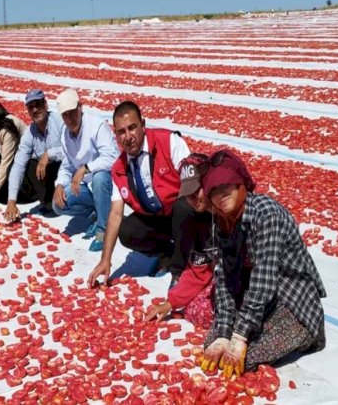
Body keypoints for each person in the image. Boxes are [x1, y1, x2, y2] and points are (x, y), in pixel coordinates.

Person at [198, 149, 327, 378]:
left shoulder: (266, 214)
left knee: (246, 357)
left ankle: (308, 334)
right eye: (214, 190)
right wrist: (224, 332)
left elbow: (263, 282)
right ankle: (238, 329)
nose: (221, 195)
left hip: (290, 300)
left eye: (226, 185)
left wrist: (238, 336)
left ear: (241, 184)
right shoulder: (221, 221)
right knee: (214, 345)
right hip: (256, 300)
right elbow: (224, 277)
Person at [87, 101, 209, 287]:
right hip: (158, 217)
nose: (128, 137)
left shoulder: (169, 142)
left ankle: (179, 270)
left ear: (143, 125)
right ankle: (166, 254)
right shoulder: (119, 169)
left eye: (132, 128)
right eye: (121, 132)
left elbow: (194, 185)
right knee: (127, 230)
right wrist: (106, 260)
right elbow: (115, 214)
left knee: (183, 204)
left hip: (186, 213)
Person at [144, 152, 218, 328]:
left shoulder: (229, 210)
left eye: (196, 191)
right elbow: (198, 272)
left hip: (253, 279)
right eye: (188, 194)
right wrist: (170, 303)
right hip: (223, 277)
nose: (192, 199)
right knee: (195, 309)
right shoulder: (199, 222)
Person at [52, 89, 119, 251]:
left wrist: (86, 168)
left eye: (72, 112)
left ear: (80, 107)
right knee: (57, 205)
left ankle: (103, 229)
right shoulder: (65, 135)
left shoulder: (96, 126)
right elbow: (67, 165)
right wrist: (60, 184)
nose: (70, 118)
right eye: (65, 115)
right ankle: (98, 212)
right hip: (85, 186)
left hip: (107, 184)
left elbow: (113, 158)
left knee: (99, 177)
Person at [4, 90, 65, 222]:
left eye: (38, 104)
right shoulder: (30, 132)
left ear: (46, 105)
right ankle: (47, 202)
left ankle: (58, 200)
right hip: (47, 174)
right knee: (24, 165)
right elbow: (19, 164)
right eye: (31, 107)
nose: (35, 109)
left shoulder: (59, 121)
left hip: (65, 170)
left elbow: (72, 151)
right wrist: (11, 201)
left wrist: (49, 154)